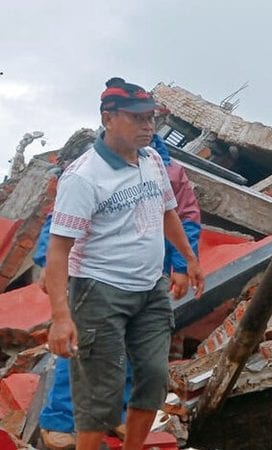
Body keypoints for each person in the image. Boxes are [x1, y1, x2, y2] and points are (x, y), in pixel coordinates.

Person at [44, 77, 203, 450]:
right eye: (138, 119)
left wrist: (189, 260)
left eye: (151, 118)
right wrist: (61, 316)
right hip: (100, 291)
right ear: (109, 118)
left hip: (151, 288)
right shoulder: (84, 177)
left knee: (152, 376)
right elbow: (57, 249)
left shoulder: (151, 161)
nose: (148, 126)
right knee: (101, 390)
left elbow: (169, 213)